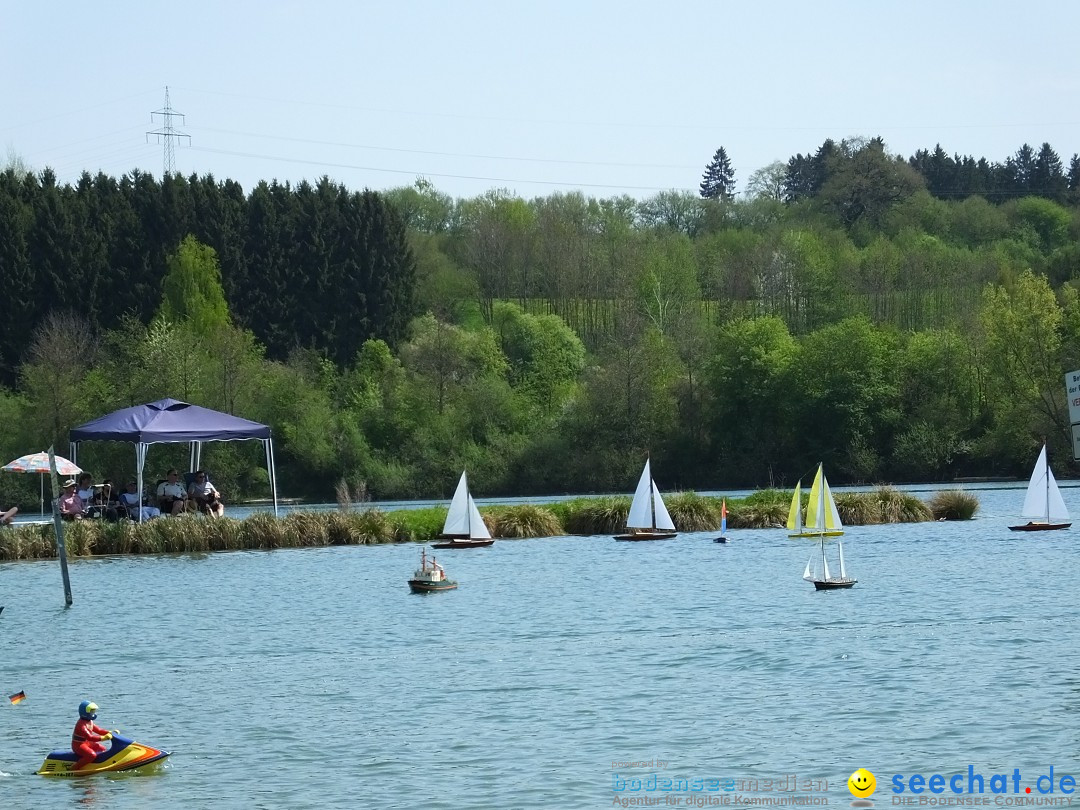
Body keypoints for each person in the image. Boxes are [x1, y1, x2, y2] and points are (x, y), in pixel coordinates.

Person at [72, 700, 114, 770]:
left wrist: (110, 732)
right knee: (91, 755)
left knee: (102, 749)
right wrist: (104, 738)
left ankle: (98, 764)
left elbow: (99, 730)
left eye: (94, 711)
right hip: (78, 745)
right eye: (92, 711)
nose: (93, 713)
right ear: (85, 712)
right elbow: (90, 737)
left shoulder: (89, 721)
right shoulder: (81, 725)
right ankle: (74, 768)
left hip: (87, 743)